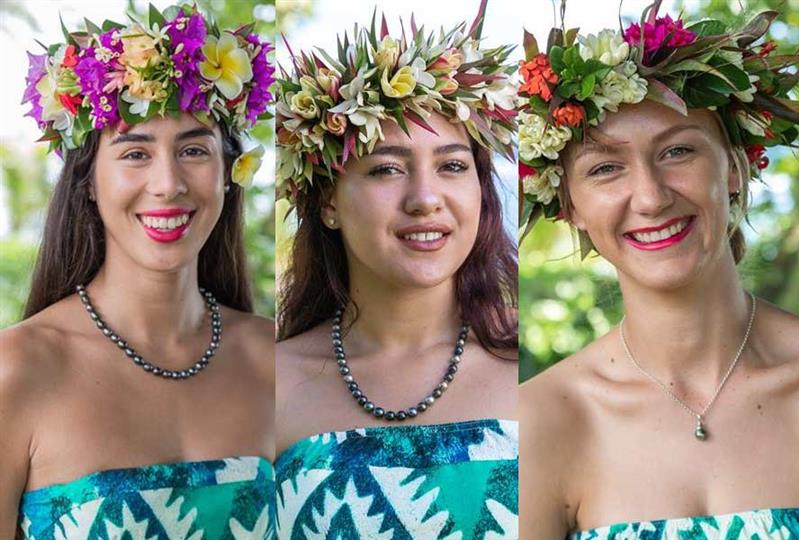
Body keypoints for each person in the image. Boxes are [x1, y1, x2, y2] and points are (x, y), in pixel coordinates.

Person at [519, 2, 799, 537]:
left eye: (677, 151)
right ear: (571, 207)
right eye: (606, 168)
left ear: (736, 167)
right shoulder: (541, 422)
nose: (650, 198)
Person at [0, 5, 275, 538]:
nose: (168, 183)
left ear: (228, 173)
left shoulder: (274, 359)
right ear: (87, 180)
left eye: (193, 149)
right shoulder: (16, 372)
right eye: (134, 153)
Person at [274, 2, 519, 537]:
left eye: (453, 166)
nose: (426, 198)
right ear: (327, 203)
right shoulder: (269, 384)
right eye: (387, 168)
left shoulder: (535, 369)